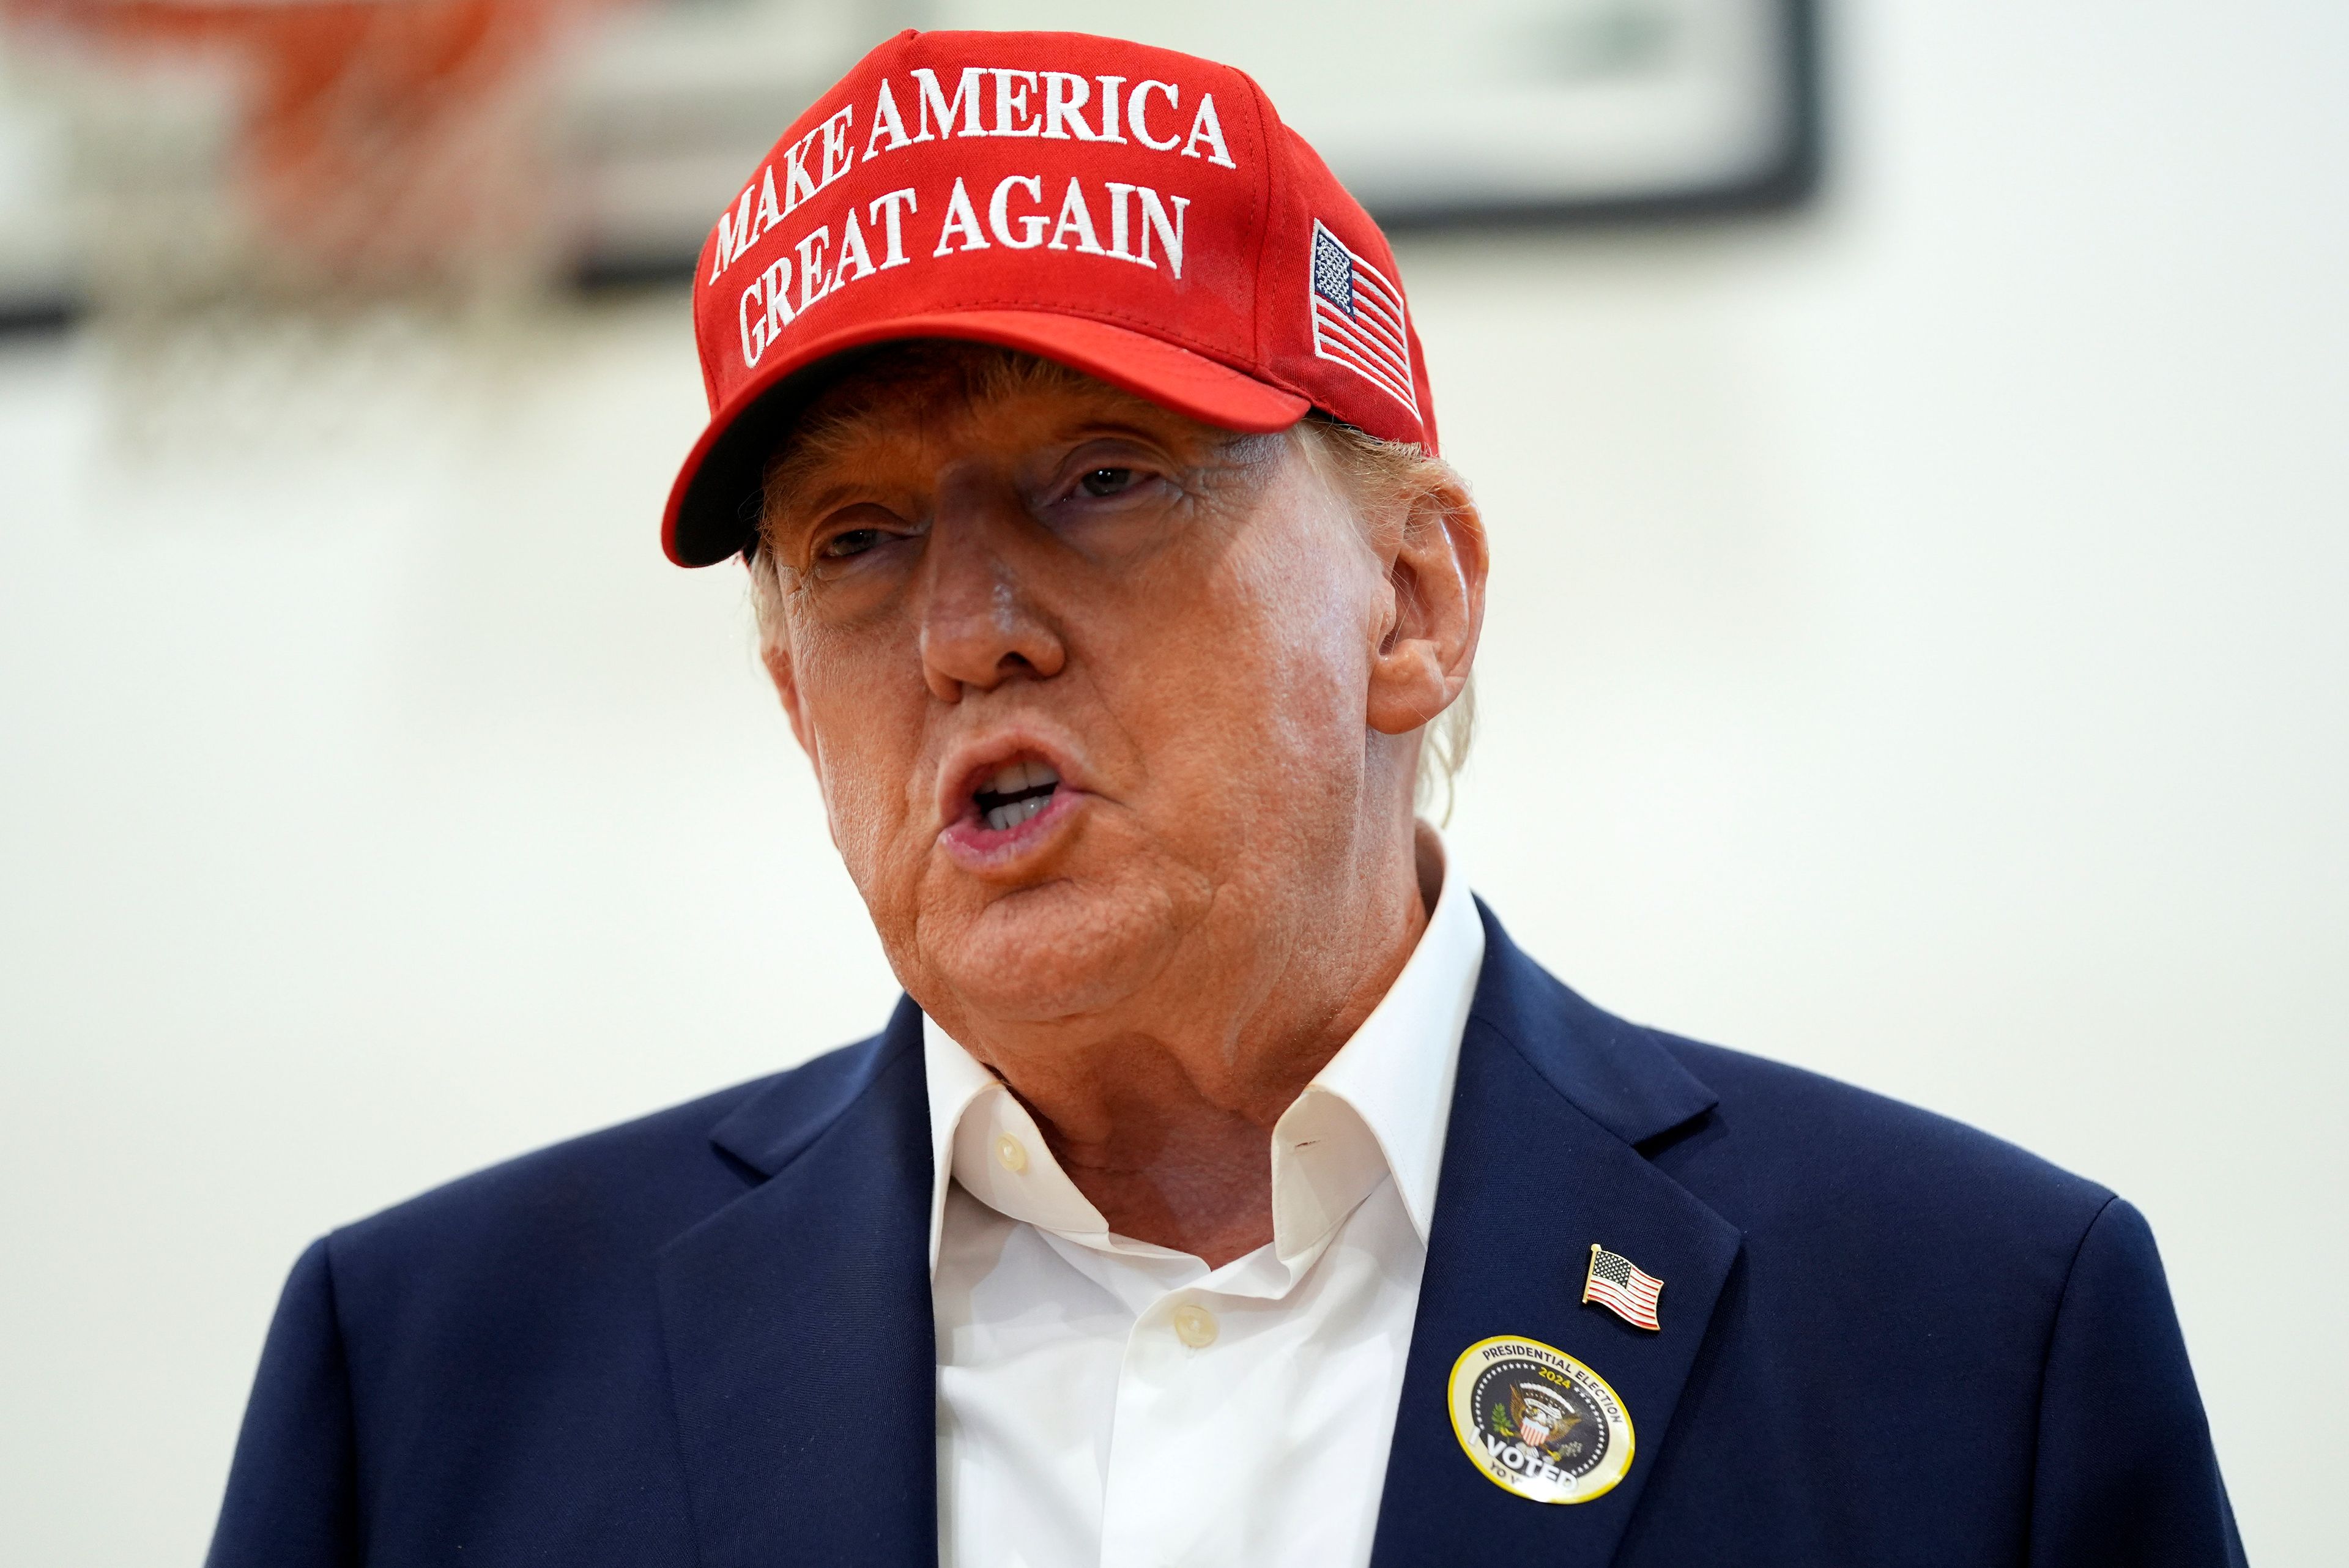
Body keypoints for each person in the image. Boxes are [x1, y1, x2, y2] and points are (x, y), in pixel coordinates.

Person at [207, 28, 2244, 1568]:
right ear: (786, 701)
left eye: (1103, 478)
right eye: (852, 542)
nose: (966, 633)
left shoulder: (1979, 1344)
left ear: (1415, 602)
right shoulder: (426, 1386)